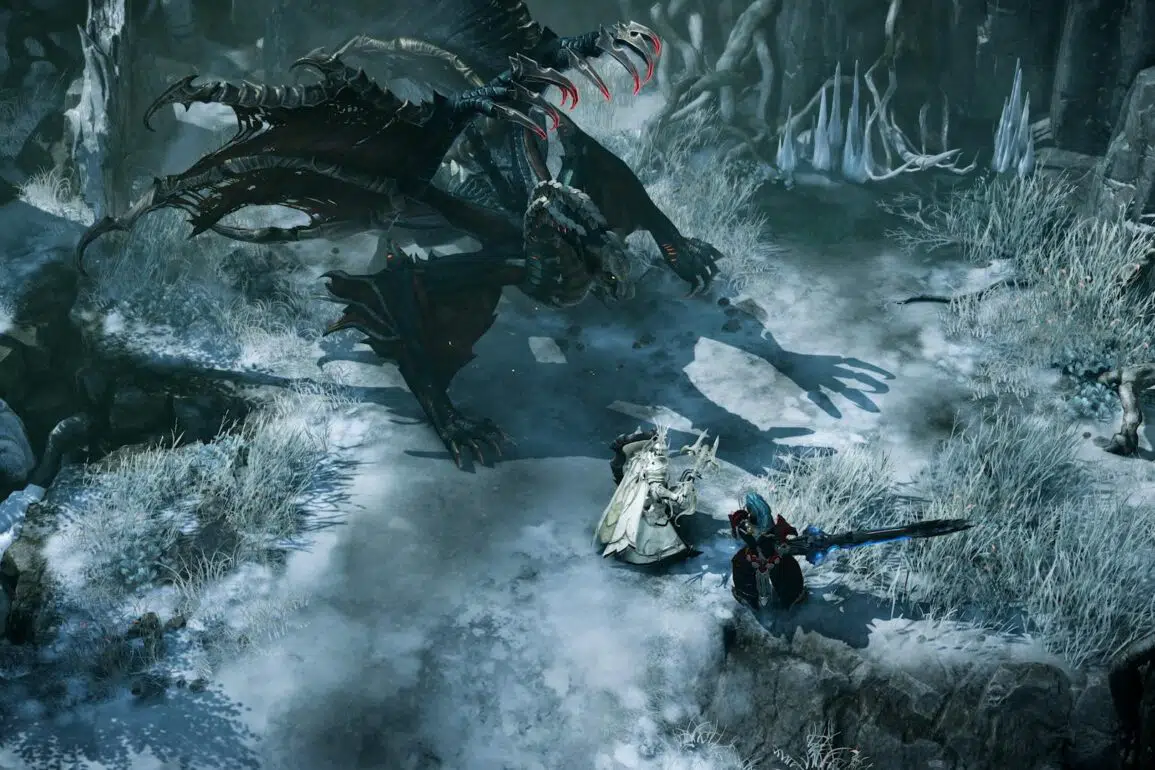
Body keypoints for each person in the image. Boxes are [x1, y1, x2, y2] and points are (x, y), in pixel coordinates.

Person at [728, 492, 807, 609]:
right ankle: (749, 597)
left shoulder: (754, 525)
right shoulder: (749, 524)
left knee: (786, 566)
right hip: (761, 553)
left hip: (771, 552)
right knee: (741, 563)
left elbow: (750, 535)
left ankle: (792, 597)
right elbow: (747, 535)